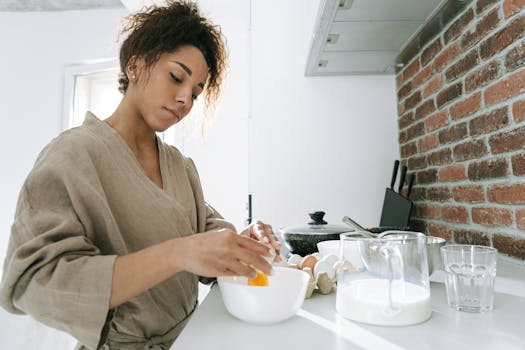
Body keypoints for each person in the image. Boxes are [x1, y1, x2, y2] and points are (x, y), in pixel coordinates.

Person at [0, 1, 281, 349]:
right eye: (176, 77)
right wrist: (178, 254)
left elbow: (198, 227)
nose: (184, 100)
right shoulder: (72, 156)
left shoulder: (179, 164)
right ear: (135, 65)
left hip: (187, 340)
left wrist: (242, 241)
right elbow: (34, 283)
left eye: (195, 92)